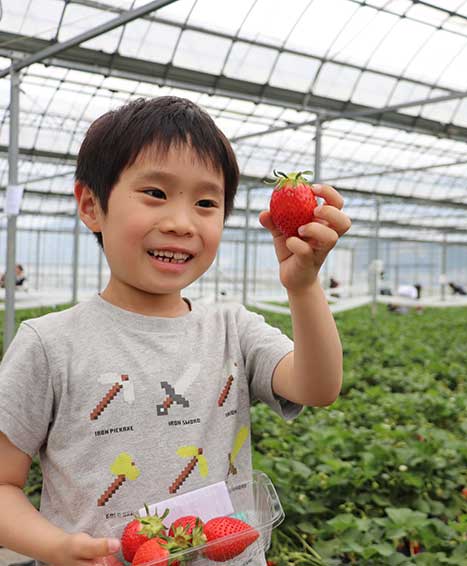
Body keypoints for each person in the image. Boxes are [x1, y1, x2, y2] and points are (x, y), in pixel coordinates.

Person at [0, 96, 351, 565]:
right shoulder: (49, 344)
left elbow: (319, 386)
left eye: (206, 202)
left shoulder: (233, 327)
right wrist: (58, 548)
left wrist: (304, 286)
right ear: (91, 205)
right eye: (156, 194)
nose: (181, 223)